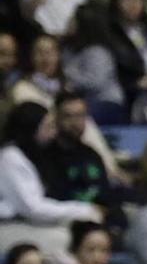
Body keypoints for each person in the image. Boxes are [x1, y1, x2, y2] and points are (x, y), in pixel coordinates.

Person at [0, 100, 99, 256]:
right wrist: (80, 209)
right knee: (66, 239)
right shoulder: (10, 158)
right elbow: (32, 208)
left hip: (26, 223)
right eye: (48, 127)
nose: (54, 133)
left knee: (86, 232)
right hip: (8, 226)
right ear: (31, 129)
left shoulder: (34, 155)